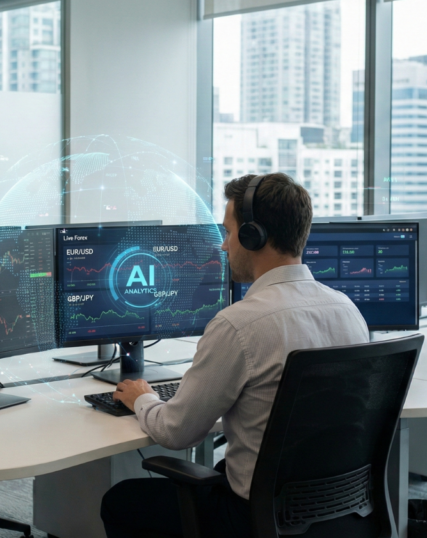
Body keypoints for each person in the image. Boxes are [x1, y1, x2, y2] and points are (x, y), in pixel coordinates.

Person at [100, 173, 370, 537]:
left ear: (253, 236)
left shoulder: (239, 325)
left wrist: (142, 398)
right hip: (339, 511)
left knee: (120, 500)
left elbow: (176, 432)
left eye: (228, 232)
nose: (224, 246)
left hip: (252, 519)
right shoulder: (348, 310)